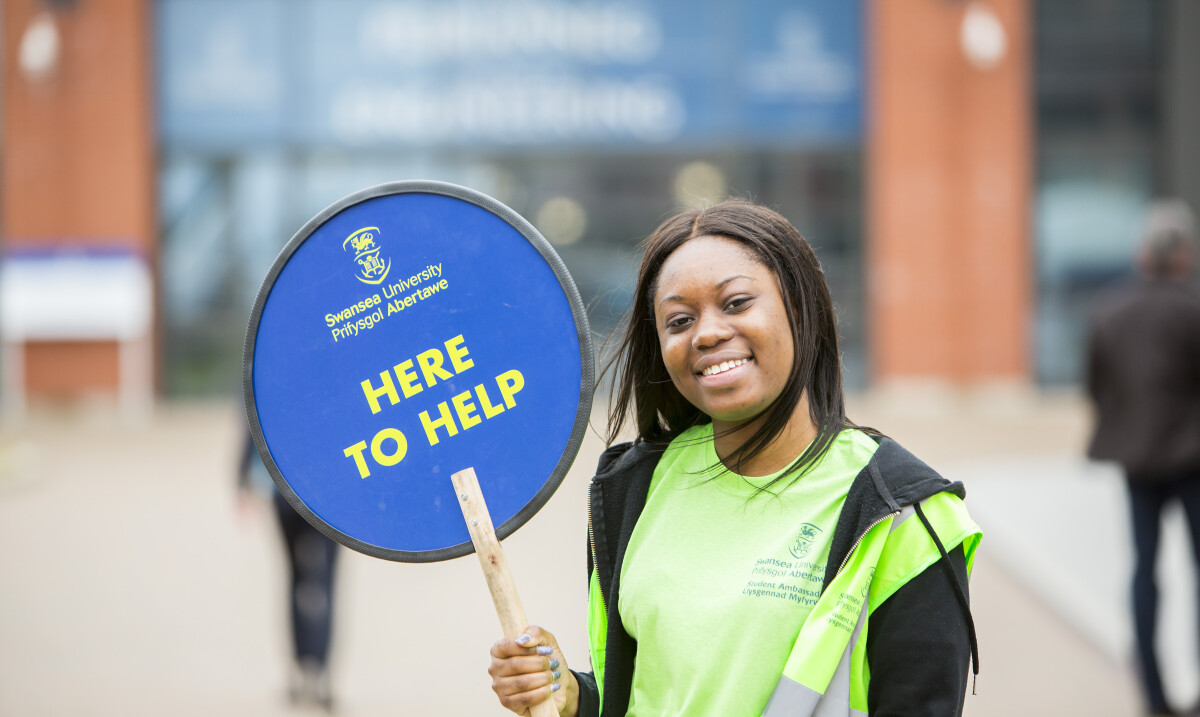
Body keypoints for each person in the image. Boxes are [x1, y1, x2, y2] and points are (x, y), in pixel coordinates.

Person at [486, 199, 982, 716]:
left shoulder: (903, 514)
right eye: (679, 320)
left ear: (798, 306)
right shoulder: (633, 487)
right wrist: (569, 695)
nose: (706, 333)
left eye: (737, 302)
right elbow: (643, 695)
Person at [1086, 199, 1200, 717]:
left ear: (1143, 255)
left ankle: (1153, 696)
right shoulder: (1191, 312)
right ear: (1183, 256)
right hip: (1193, 460)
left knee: (1144, 573)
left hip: (1137, 462)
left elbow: (1097, 388)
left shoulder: (1109, 313)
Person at [238, 430, 340, 712]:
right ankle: (315, 672)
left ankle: (306, 671)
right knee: (322, 582)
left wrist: (242, 477)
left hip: (289, 490)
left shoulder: (270, 384)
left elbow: (254, 421)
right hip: (329, 497)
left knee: (298, 580)